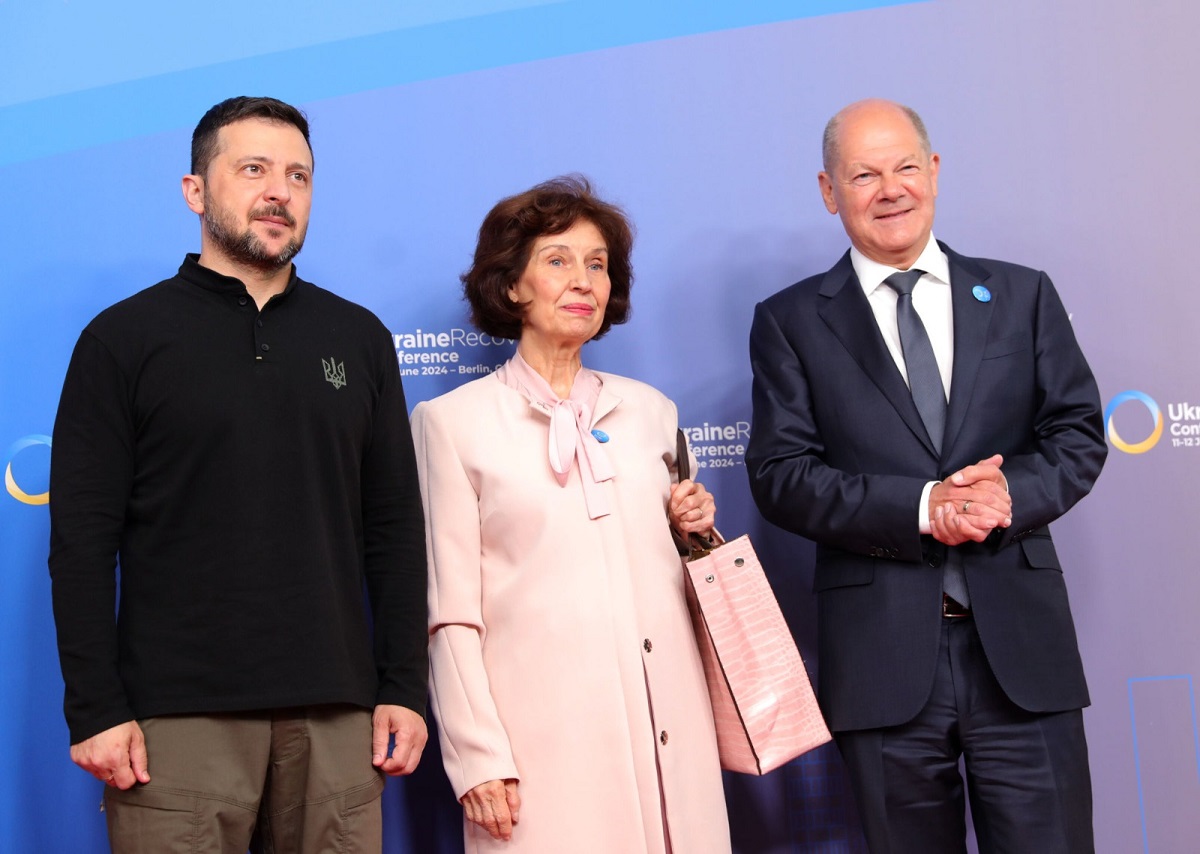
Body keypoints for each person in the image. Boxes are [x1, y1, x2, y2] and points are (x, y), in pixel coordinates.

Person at [48, 96, 429, 852]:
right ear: (196, 190)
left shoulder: (358, 338)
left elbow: (393, 531)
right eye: (253, 169)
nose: (279, 191)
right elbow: (83, 540)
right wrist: (95, 707)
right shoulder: (123, 339)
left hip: (339, 719)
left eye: (298, 175)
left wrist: (403, 688)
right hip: (178, 723)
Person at [746, 99, 1106, 853]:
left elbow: (1076, 433)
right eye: (864, 174)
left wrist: (1011, 493)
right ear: (827, 190)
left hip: (1022, 653)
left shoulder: (1021, 293)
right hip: (882, 663)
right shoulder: (790, 322)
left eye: (906, 166)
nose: (891, 189)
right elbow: (780, 475)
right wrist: (919, 506)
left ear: (934, 171)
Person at [411, 176, 731, 853]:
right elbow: (450, 611)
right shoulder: (454, 424)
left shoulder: (652, 412)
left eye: (597, 264)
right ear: (511, 286)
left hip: (672, 736)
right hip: (541, 747)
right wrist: (477, 757)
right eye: (557, 261)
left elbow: (686, 573)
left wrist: (694, 532)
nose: (582, 279)